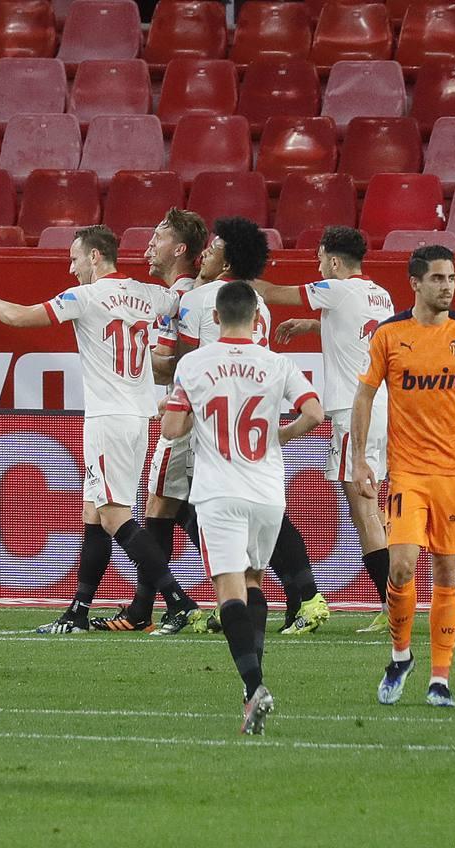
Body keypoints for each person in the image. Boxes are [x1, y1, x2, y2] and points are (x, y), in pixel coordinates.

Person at [0, 225, 201, 635]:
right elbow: (182, 296)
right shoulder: (147, 294)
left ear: (95, 256)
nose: (70, 268)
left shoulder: (85, 297)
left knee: (113, 516)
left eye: (74, 258)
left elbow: (21, 318)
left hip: (108, 419)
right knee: (93, 513)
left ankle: (180, 601)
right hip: (137, 419)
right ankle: (78, 610)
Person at [162, 281, 324, 732]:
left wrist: (180, 410)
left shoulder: (193, 364)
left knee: (228, 589)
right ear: (257, 319)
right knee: (254, 581)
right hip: (268, 493)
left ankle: (254, 687)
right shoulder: (277, 363)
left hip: (219, 492)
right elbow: (314, 412)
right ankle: (252, 687)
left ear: (215, 319)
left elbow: (172, 428)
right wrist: (279, 437)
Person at [351, 245, 455, 708]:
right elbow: (364, 397)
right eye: (437, 278)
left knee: (448, 571)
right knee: (401, 566)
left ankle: (439, 679)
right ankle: (400, 656)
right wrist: (359, 460)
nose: (447, 286)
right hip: (407, 472)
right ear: (415, 283)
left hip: (454, 475)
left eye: (451, 277)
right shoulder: (390, 335)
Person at [168, 216, 329, 637]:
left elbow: (180, 363)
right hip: (255, 417)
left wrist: (132, 367)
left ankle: (215, 601)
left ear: (227, 261)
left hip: (210, 418)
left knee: (176, 502)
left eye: (215, 246)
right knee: (261, 513)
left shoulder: (200, 299)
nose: (205, 251)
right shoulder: (262, 304)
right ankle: (297, 598)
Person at [266, 226, 396, 635]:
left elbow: (275, 292)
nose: (319, 267)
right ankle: (395, 601)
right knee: (371, 509)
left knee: (364, 510)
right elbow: (359, 333)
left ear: (334, 261)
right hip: (382, 407)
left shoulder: (336, 289)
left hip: (351, 411)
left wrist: (238, 276)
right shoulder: (379, 294)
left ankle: (395, 607)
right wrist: (311, 325)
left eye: (321, 260)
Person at [91, 208, 205, 633]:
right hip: (194, 415)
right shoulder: (182, 295)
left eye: (157, 238)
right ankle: (147, 606)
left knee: (158, 505)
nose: (148, 246)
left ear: (179, 248)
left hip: (187, 419)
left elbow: (172, 365)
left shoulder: (181, 299)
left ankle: (171, 604)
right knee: (177, 508)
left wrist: (119, 355)